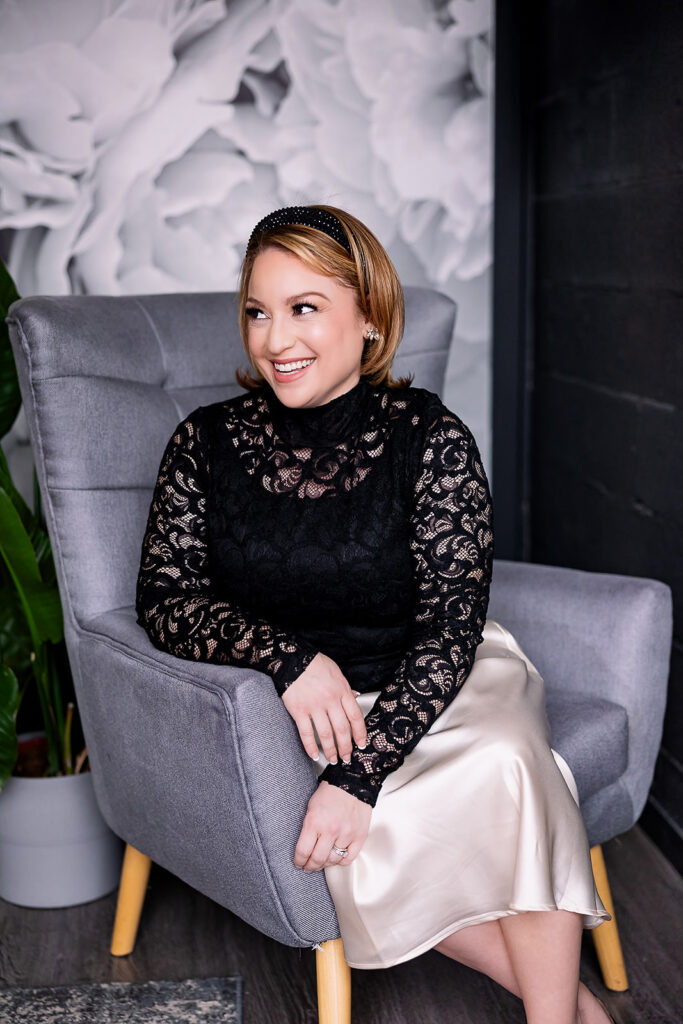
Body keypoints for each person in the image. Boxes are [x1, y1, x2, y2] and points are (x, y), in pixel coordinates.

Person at [135, 204, 614, 1024]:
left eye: (304, 308)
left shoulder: (431, 437)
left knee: (509, 759)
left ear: (369, 318)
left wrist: (360, 776)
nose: (274, 339)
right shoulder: (203, 442)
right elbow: (163, 597)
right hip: (307, 709)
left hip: (442, 679)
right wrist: (288, 661)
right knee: (354, 834)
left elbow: (453, 625)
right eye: (257, 310)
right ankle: (573, 1008)